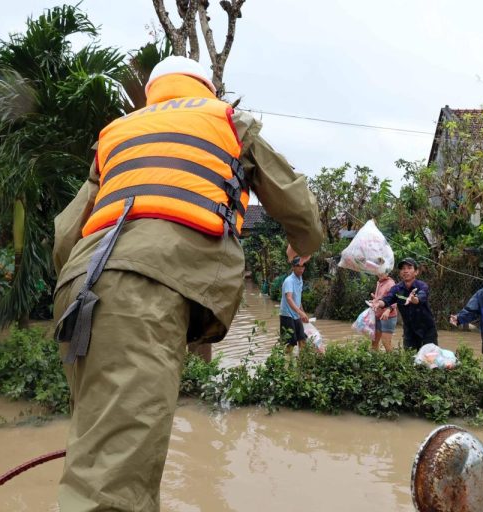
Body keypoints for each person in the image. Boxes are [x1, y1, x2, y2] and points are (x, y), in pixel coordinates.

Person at [51, 56, 322, 511]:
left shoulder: (117, 133)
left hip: (77, 291)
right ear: (207, 88)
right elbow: (302, 213)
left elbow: (63, 238)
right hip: (144, 293)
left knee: (98, 454)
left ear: (153, 92)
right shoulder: (227, 121)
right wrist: (305, 244)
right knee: (112, 489)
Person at [372, 257, 438, 351]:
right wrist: (378, 303)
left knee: (430, 359)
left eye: (409, 268)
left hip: (427, 330)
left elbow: (422, 296)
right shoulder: (397, 288)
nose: (405, 271)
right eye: (403, 269)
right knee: (410, 359)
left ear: (416, 272)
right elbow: (387, 299)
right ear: (400, 272)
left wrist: (414, 299)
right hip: (409, 331)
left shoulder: (422, 286)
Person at [279, 256, 309, 353]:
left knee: (302, 339)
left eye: (303, 266)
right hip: (287, 315)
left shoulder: (300, 279)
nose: (301, 269)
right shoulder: (289, 281)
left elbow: (297, 299)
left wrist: (303, 313)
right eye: (298, 266)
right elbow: (289, 298)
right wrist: (300, 313)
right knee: (290, 343)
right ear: (293, 267)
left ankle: (302, 363)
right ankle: (287, 365)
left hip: (296, 315)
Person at [371, 271, 397, 351]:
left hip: (388, 317)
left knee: (386, 342)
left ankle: (392, 362)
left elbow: (395, 299)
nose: (380, 273)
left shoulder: (391, 284)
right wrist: (374, 300)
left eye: (383, 271)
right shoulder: (379, 282)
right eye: (379, 271)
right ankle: (375, 361)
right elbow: (380, 298)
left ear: (388, 272)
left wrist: (388, 310)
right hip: (378, 315)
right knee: (374, 341)